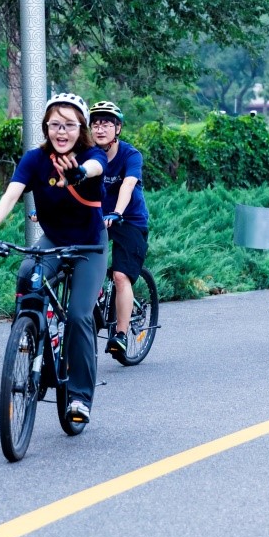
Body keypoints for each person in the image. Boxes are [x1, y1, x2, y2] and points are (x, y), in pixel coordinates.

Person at [0, 93, 108, 426]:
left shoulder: (92, 156)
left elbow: (94, 168)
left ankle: (79, 396)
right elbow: (12, 194)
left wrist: (77, 174)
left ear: (82, 128)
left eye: (69, 125)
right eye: (54, 124)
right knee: (26, 274)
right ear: (46, 127)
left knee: (78, 316)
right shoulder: (34, 160)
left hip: (90, 245)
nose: (61, 132)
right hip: (54, 240)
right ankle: (28, 334)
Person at [87, 100, 150, 360]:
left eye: (107, 124)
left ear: (118, 129)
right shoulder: (87, 155)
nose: (100, 129)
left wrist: (118, 212)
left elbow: (128, 185)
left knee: (121, 276)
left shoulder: (130, 155)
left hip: (129, 219)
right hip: (97, 218)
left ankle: (121, 335)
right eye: (95, 124)